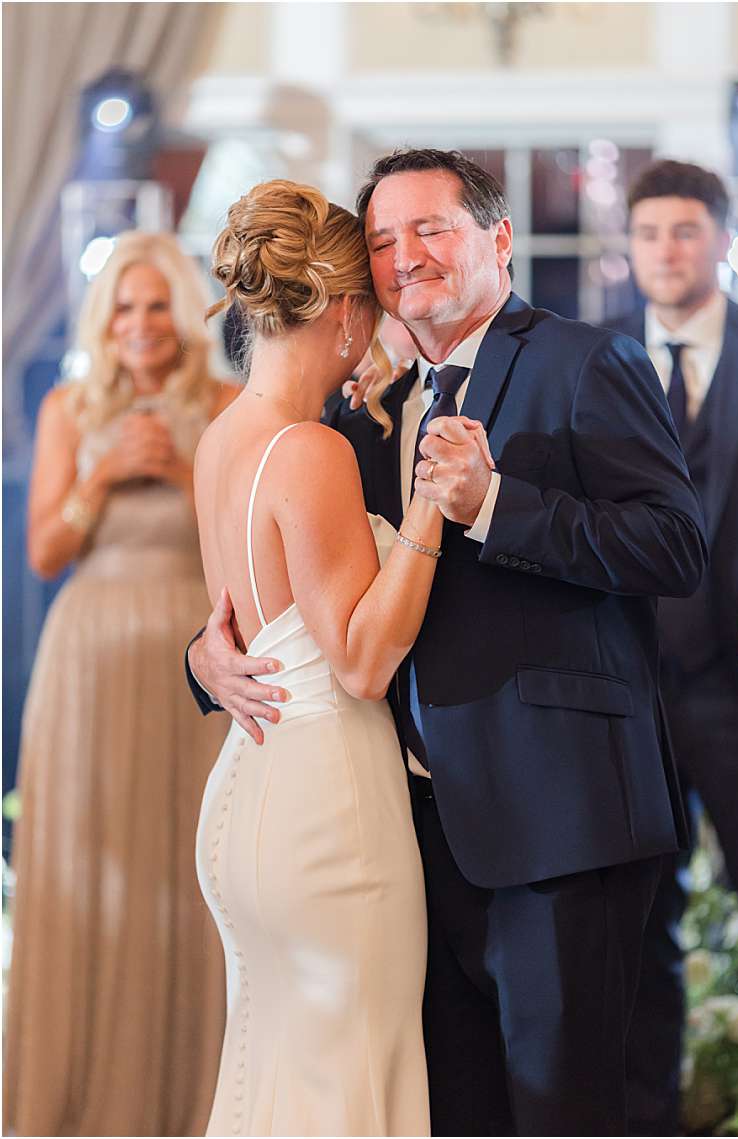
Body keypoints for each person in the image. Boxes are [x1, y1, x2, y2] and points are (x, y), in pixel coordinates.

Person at [187, 150, 706, 1136]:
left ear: (496, 238)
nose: (405, 255)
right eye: (381, 240)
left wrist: (500, 502)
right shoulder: (357, 412)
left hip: (559, 823)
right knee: (447, 1112)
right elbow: (304, 590)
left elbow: (675, 544)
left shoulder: (584, 361)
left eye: (430, 228)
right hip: (403, 833)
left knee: (563, 1115)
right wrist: (206, 658)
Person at [192, 179, 462, 1135]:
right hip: (331, 812)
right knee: (351, 1079)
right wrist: (430, 504)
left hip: (249, 788)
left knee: (271, 1077)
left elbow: (238, 620)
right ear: (348, 314)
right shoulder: (310, 449)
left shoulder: (223, 439)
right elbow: (358, 662)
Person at [4, 233, 238, 1137]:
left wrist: (180, 468)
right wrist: (102, 473)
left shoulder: (223, 404)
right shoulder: (70, 407)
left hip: (195, 659)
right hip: (87, 661)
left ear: (182, 314)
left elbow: (237, 543)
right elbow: (45, 553)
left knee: (191, 873)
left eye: (156, 305)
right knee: (88, 879)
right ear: (105, 321)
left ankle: (192, 1102)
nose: (140, 324)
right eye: (124, 308)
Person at [603, 158, 738, 1134]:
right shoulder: (592, 359)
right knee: (637, 933)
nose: (667, 248)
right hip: (627, 695)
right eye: (650, 231)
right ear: (629, 248)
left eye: (685, 230)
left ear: (720, 240)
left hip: (735, 691)